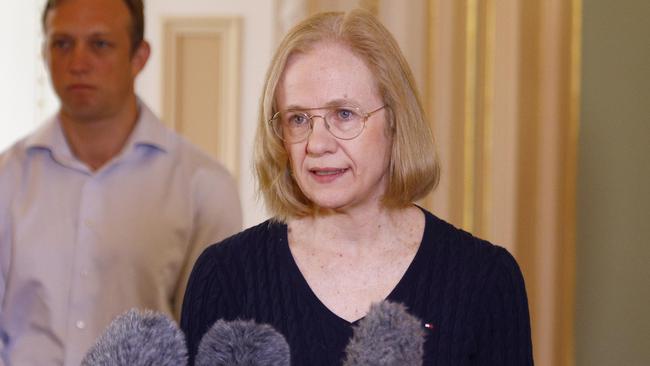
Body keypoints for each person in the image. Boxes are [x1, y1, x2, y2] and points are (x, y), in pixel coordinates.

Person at [181, 9, 533, 366]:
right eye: (298, 119)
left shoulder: (486, 280)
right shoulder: (226, 278)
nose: (317, 144)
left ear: (395, 121)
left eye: (344, 114)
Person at [0, 0, 242, 365]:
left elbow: (209, 340)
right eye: (62, 43)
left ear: (139, 57)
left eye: (100, 44)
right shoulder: (7, 176)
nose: (77, 62)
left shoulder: (202, 185)